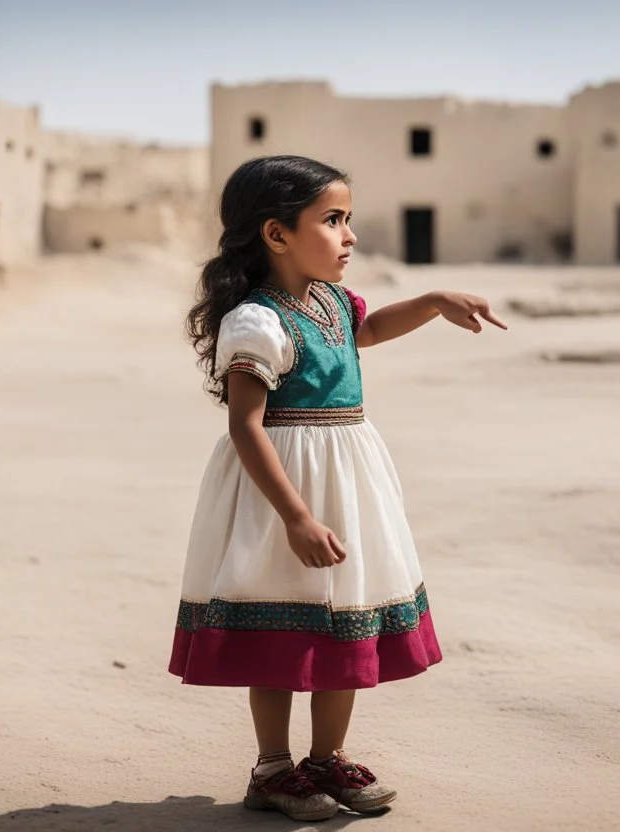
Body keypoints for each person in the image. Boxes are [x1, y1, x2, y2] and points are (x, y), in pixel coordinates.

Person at [171, 154, 507, 821]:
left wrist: (436, 301)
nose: (349, 235)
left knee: (345, 623)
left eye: (348, 219)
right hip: (283, 495)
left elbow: (370, 329)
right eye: (333, 220)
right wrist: (294, 517)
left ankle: (326, 760)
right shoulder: (256, 323)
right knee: (281, 620)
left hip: (347, 484)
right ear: (276, 234)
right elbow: (245, 427)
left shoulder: (329, 300)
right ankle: (273, 769)